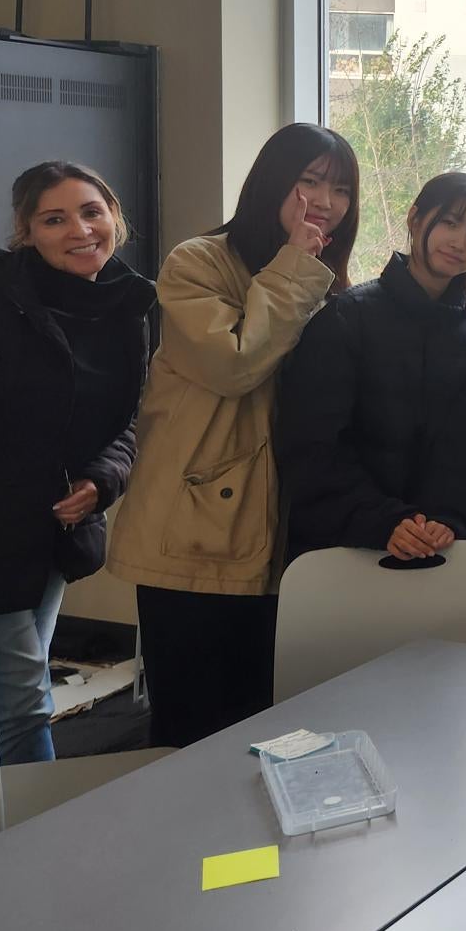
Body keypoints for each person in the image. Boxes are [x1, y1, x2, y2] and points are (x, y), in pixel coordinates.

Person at [107, 124, 357, 747]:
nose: (325, 200)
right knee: (192, 738)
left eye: (341, 188)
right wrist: (298, 264)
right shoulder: (198, 262)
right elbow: (234, 364)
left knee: (264, 732)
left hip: (278, 536)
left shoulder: (323, 279)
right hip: (195, 536)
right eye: (310, 181)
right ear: (272, 181)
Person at [0, 163, 155, 763]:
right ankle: (34, 843)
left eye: (91, 212)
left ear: (114, 220)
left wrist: (102, 481)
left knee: (4, 700)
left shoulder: (126, 304)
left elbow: (128, 421)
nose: (79, 229)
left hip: (49, 532)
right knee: (23, 706)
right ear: (27, 232)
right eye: (55, 219)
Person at [278, 171, 466, 564]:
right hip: (341, 548)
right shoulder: (347, 318)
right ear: (415, 218)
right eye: (450, 222)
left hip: (438, 549)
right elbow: (312, 445)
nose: (461, 242)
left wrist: (448, 517)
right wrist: (385, 521)